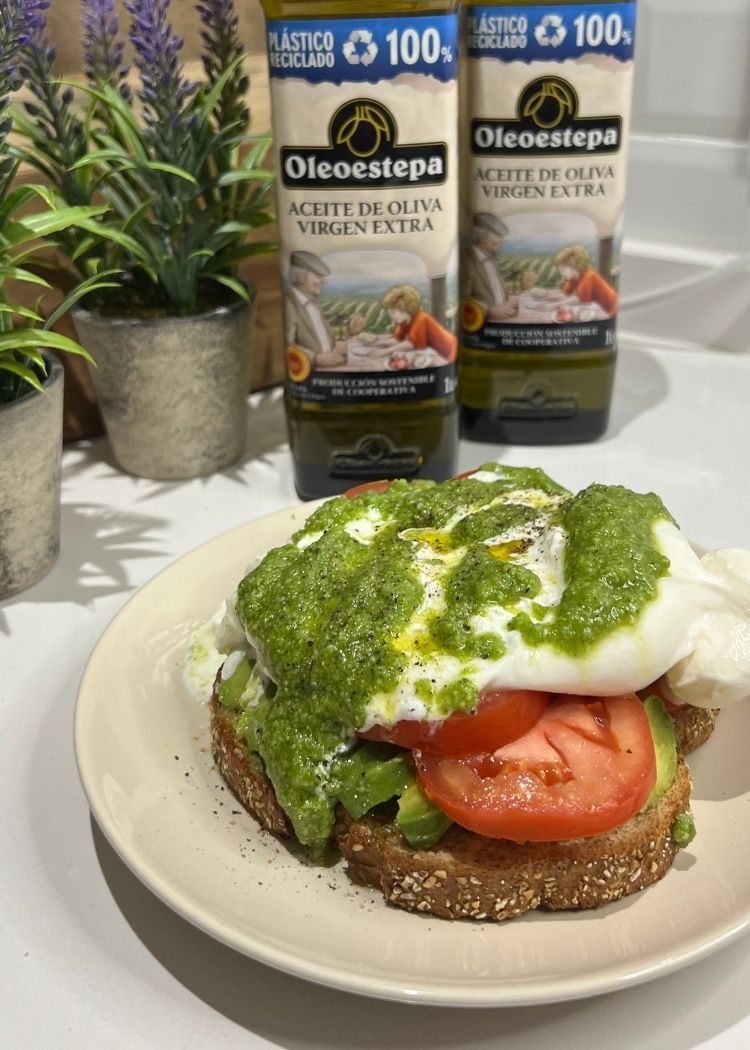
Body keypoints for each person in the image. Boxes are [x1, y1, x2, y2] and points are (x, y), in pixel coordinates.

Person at [462, 212, 536, 322]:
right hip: (483, 325)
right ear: (482, 236)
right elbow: (462, 299)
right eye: (497, 235)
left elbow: (500, 298)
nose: (501, 240)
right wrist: (489, 311)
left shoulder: (492, 260)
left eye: (501, 236)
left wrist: (523, 288)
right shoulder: (468, 261)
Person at [285, 251, 348, 369]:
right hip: (307, 371)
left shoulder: (313, 303)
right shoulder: (290, 304)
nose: (324, 282)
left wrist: (349, 334)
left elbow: (322, 340)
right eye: (319, 277)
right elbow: (288, 344)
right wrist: (316, 359)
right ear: (301, 277)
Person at [379, 285, 457, 363]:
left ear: (403, 308)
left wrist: (385, 352)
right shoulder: (404, 321)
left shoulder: (421, 318)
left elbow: (411, 344)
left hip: (450, 353)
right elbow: (396, 339)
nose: (391, 317)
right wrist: (375, 342)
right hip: (435, 355)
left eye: (393, 312)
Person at [554, 245, 618, 315]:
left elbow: (583, 302)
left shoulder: (588, 277)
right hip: (601, 309)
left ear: (573, 265)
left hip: (612, 310)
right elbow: (565, 293)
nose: (561, 273)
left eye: (563, 269)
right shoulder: (573, 278)